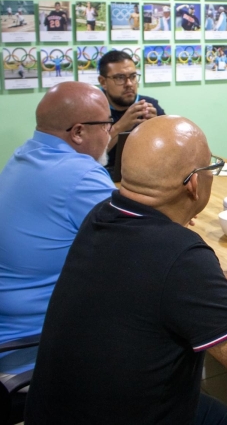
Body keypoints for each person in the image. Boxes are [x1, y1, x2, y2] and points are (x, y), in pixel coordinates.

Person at [25, 115, 227, 424]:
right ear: (193, 183)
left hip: (55, 412)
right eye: (210, 167)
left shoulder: (103, 216)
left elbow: (163, 285)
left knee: (214, 411)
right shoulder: (181, 254)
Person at [0, 82, 115, 378]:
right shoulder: (82, 175)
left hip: (12, 328)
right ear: (78, 132)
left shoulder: (25, 155)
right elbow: (143, 247)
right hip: (37, 348)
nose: (110, 134)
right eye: (106, 125)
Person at [97, 50, 165, 169]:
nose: (129, 84)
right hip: (105, 178)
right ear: (103, 82)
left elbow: (170, 151)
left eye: (133, 77)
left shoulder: (149, 106)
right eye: (120, 78)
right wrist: (120, 127)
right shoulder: (93, 110)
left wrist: (157, 129)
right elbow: (88, 158)